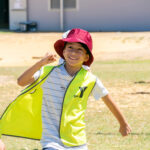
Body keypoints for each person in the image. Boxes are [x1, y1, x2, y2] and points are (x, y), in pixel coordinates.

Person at [0, 28, 131, 150]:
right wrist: (41, 63)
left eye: (79, 49)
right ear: (63, 52)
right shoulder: (47, 72)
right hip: (51, 141)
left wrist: (123, 123)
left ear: (86, 56)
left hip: (78, 141)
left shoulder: (91, 80)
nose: (73, 52)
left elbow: (108, 100)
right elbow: (21, 82)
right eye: (70, 48)